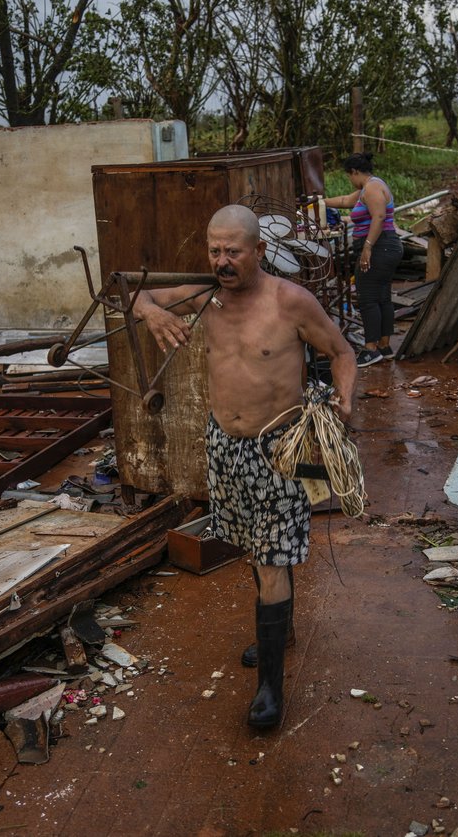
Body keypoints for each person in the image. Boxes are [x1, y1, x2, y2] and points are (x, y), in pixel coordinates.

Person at [133, 204, 357, 729]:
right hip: (225, 446)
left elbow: (342, 352)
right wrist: (152, 313)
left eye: (234, 250)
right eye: (215, 250)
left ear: (259, 250)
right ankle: (284, 632)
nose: (222, 260)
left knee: (273, 557)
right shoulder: (204, 295)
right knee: (256, 548)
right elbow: (135, 294)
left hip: (283, 449)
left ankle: (269, 693)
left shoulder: (291, 302)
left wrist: (344, 402)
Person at [320, 152, 403, 367]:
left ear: (355, 172)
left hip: (380, 246)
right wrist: (319, 203)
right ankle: (384, 346)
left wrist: (368, 247)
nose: (350, 180)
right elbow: (346, 200)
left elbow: (379, 217)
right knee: (382, 297)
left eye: (349, 176)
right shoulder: (367, 188)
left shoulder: (373, 188)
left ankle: (370, 348)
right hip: (385, 247)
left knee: (367, 298)